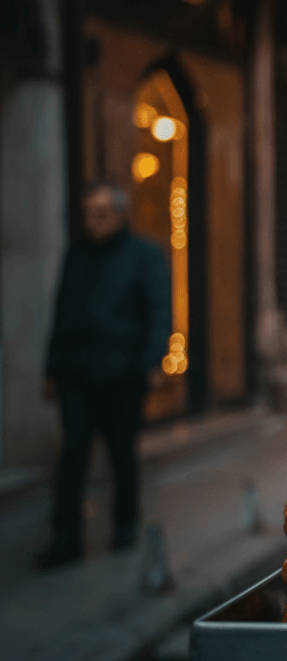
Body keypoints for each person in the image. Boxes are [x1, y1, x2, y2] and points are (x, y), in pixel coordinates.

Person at [37, 181, 170, 569]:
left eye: (100, 213)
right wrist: (51, 369)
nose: (93, 222)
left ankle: (125, 524)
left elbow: (159, 310)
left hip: (122, 372)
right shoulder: (76, 254)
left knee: (121, 452)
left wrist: (152, 361)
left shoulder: (144, 254)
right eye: (88, 214)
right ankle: (66, 537)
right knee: (72, 453)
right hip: (75, 374)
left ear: (119, 214)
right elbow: (61, 313)